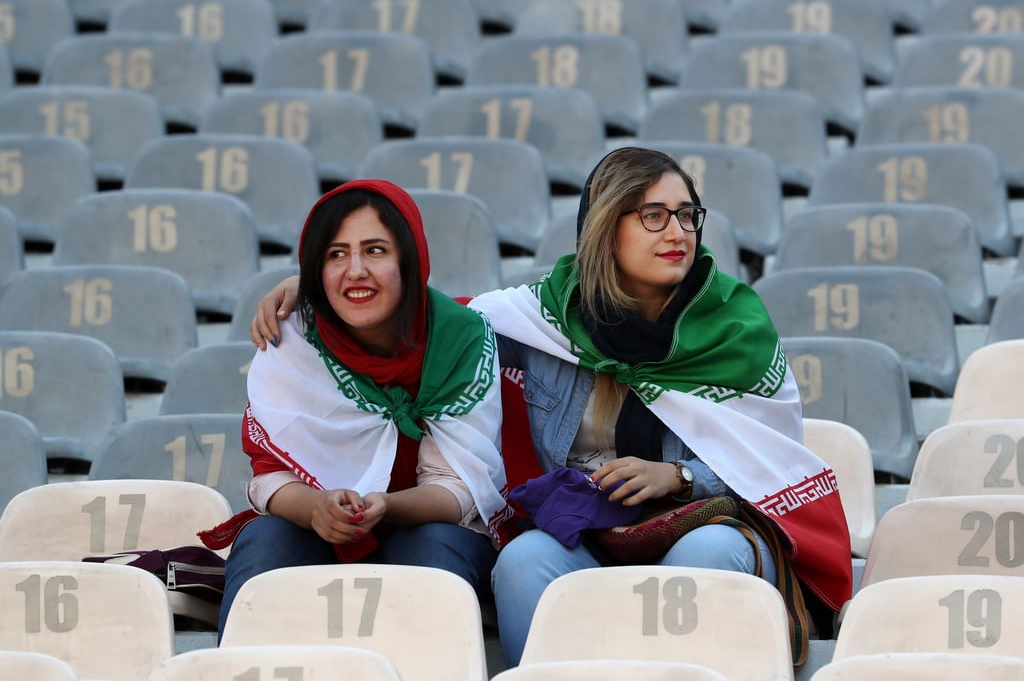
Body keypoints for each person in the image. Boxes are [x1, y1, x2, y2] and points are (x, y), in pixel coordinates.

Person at [250, 148, 853, 667]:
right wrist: (324, 290)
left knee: (706, 554)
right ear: (605, 227)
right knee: (523, 559)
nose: (677, 232)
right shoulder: (544, 319)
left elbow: (771, 462)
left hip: (705, 522)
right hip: (585, 527)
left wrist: (679, 476)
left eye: (687, 215)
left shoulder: (737, 330)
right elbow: (433, 320)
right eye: (653, 216)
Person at [209, 179, 514, 638]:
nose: (355, 271)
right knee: (266, 539)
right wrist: (317, 507)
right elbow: (269, 476)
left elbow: (457, 491)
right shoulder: (293, 335)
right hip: (320, 523)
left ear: (410, 260)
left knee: (431, 546)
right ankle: (239, 666)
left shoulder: (460, 337)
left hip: (429, 524)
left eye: (375, 250)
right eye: (336, 254)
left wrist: (385, 505)